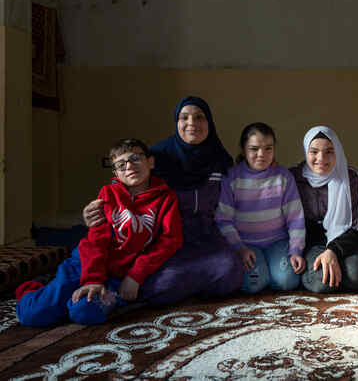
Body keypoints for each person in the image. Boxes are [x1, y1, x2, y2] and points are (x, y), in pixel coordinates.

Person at [83, 96, 243, 305]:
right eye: (184, 117)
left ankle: (180, 289)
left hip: (207, 238)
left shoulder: (220, 159)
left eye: (199, 117)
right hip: (164, 243)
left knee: (231, 271)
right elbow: (124, 184)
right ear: (176, 122)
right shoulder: (158, 157)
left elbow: (238, 196)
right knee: (167, 282)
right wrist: (95, 208)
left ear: (209, 122)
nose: (192, 123)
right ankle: (168, 288)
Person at [17, 139, 182, 326]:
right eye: (121, 164)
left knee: (84, 313)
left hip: (118, 277)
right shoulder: (108, 194)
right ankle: (36, 289)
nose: (129, 166)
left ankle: (70, 300)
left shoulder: (166, 198)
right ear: (116, 173)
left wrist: (135, 275)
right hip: (85, 264)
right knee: (32, 315)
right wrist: (93, 279)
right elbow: (97, 240)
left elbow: (170, 240)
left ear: (150, 162)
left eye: (135, 158)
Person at [215, 122, 305, 293]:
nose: (261, 154)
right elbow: (223, 219)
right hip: (246, 245)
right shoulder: (232, 178)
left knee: (287, 281)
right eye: (254, 149)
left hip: (277, 242)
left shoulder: (283, 176)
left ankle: (272, 271)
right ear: (243, 150)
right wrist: (239, 249)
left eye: (268, 148)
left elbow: (295, 218)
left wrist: (295, 250)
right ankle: (264, 273)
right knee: (254, 284)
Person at [290, 126, 358, 293]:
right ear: (306, 152)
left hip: (347, 241)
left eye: (329, 152)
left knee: (357, 276)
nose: (321, 158)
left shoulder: (350, 177)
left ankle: (338, 269)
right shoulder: (294, 177)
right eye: (314, 152)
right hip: (312, 243)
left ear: (338, 152)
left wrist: (333, 250)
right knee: (322, 282)